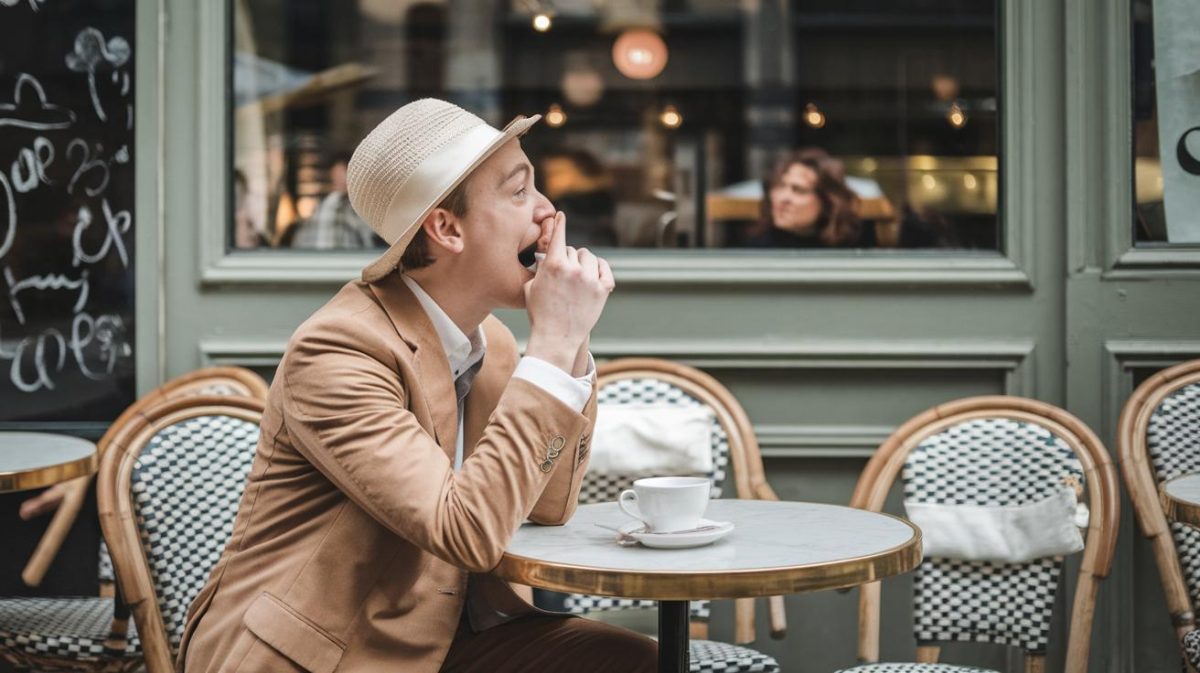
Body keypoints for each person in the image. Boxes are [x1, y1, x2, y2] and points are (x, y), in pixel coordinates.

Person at [178, 99, 655, 672]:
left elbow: (549, 507)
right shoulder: (337, 352)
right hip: (323, 657)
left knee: (639, 663)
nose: (548, 211)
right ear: (447, 228)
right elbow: (468, 532)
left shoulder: (494, 342)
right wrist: (551, 345)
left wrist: (569, 344)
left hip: (455, 640)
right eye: (519, 191)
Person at [742, 147, 863, 248]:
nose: (782, 198)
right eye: (779, 186)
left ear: (828, 202)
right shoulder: (755, 248)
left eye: (799, 190)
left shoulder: (851, 250)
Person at [284, 153, 382, 249]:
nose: (339, 185)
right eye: (336, 181)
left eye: (343, 181)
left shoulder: (360, 211)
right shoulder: (320, 211)